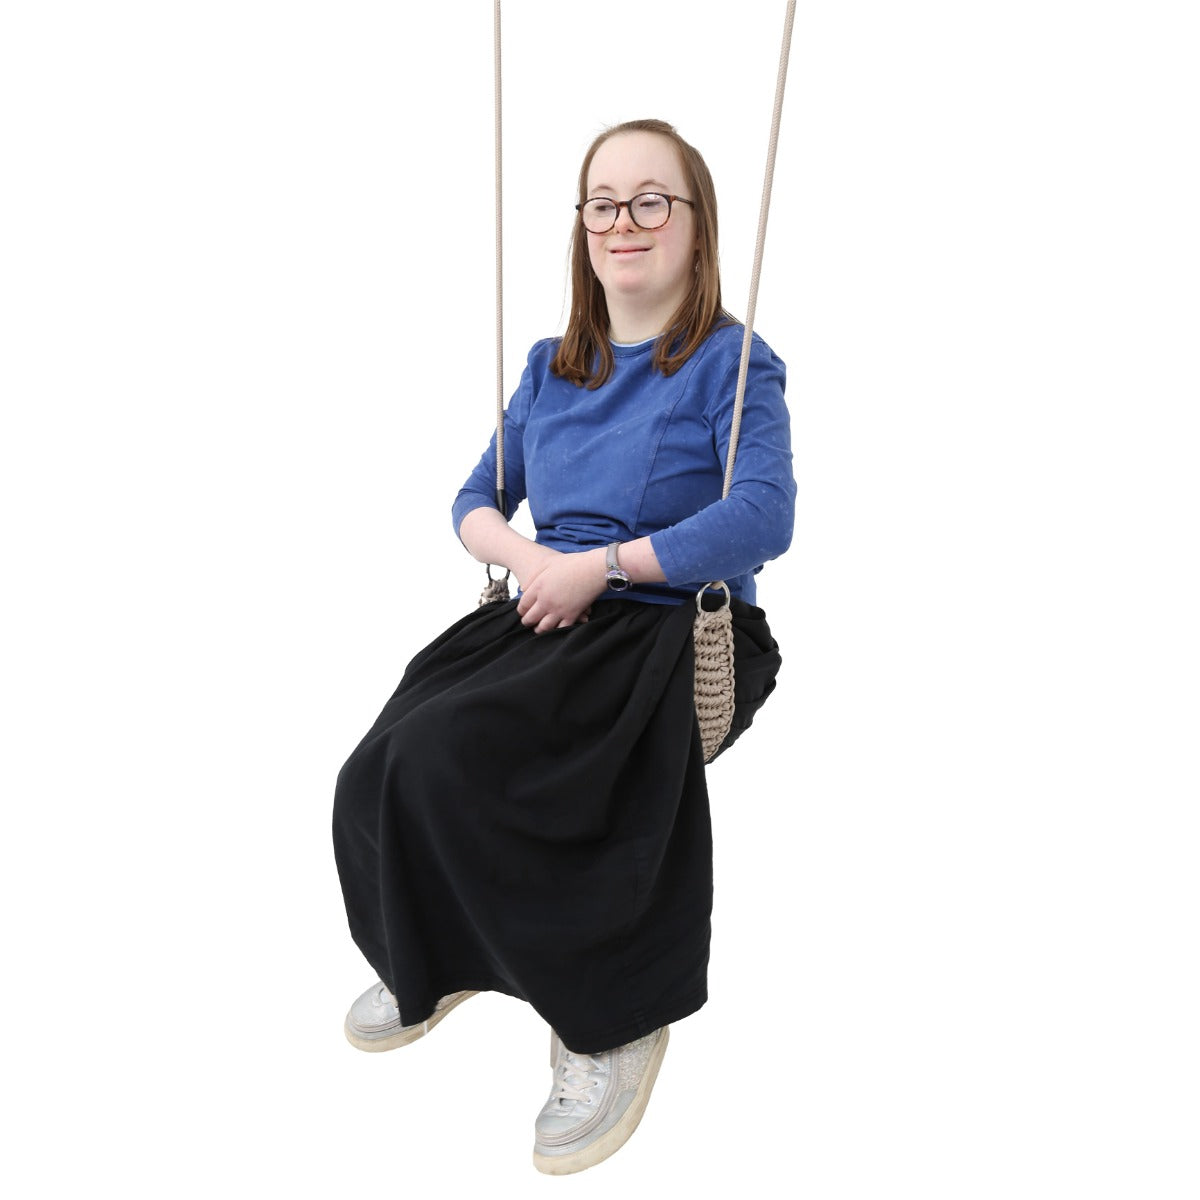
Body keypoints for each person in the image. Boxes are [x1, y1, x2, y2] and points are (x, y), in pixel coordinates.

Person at [332, 117, 796, 1175]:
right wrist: (536, 562)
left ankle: (611, 1022)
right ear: (580, 226)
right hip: (553, 605)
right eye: (602, 202)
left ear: (694, 224)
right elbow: (473, 501)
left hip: (671, 622)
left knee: (482, 765)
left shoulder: (732, 365)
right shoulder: (556, 365)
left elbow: (765, 516)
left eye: (650, 200)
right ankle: (432, 952)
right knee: (377, 772)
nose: (621, 222)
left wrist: (605, 566)